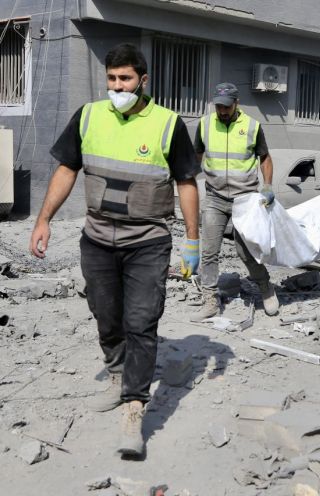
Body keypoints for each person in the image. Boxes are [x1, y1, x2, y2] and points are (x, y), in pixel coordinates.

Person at [29, 43, 201, 456]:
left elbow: (186, 183)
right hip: (98, 239)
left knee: (141, 321)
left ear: (143, 81)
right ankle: (117, 373)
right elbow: (68, 168)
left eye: (125, 79)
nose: (117, 87)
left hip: (148, 242)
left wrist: (193, 239)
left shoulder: (167, 124)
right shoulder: (88, 116)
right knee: (106, 316)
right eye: (111, 79)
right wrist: (43, 218)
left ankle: (134, 407)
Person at [190, 82, 279, 322]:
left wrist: (268, 185)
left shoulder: (252, 126)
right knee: (209, 251)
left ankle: (265, 288)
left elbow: (265, 158)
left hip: (245, 200)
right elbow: (196, 158)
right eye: (219, 106)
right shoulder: (205, 124)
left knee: (246, 251)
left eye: (227, 107)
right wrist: (184, 179)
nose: (222, 111)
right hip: (215, 197)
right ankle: (209, 300)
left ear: (236, 103)